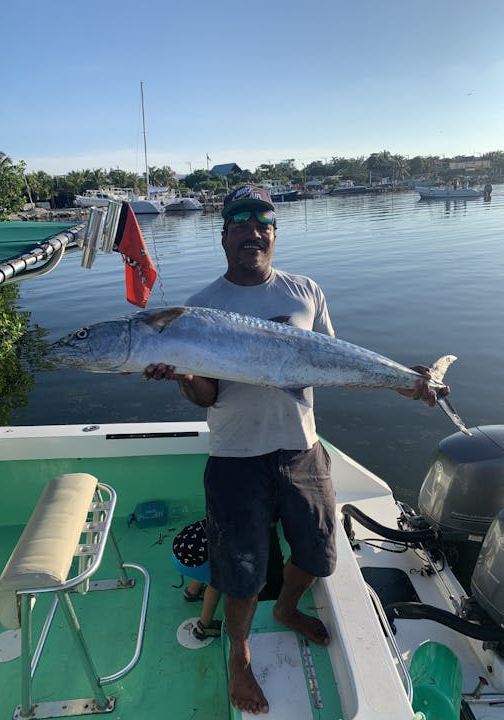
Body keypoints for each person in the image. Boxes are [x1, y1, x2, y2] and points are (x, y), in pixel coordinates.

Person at [145, 185, 443, 715]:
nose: (252, 233)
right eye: (240, 224)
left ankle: (286, 609)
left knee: (319, 554)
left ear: (274, 235)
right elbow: (207, 396)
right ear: (224, 237)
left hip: (302, 450)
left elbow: (331, 360)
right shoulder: (197, 308)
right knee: (240, 570)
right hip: (236, 456)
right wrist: (186, 374)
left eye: (263, 224)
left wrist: (401, 380)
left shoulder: (304, 291)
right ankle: (239, 655)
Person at [172, 519, 222, 640]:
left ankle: (192, 592)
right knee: (216, 583)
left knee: (203, 562)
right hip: (196, 563)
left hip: (179, 555)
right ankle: (204, 626)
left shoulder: (218, 511)